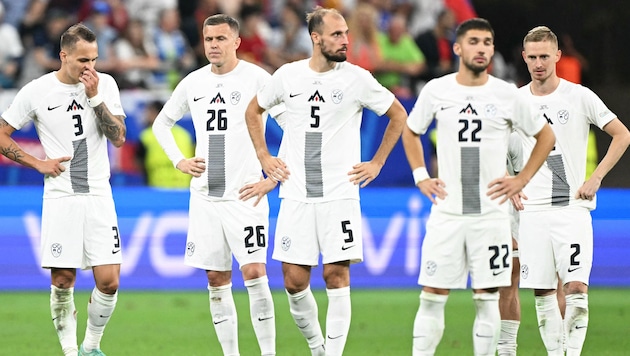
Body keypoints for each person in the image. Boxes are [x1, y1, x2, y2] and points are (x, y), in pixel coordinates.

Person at [245, 7, 407, 355]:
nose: (345, 40)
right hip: (296, 194)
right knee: (294, 281)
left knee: (336, 275)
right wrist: (264, 157)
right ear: (315, 38)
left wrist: (377, 162)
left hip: (339, 194)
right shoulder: (288, 76)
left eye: (346, 33)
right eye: (336, 34)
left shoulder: (357, 78)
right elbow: (252, 111)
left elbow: (398, 115)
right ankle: (318, 347)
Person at [401, 18, 556, 356]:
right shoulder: (437, 90)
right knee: (431, 296)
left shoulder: (505, 94)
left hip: (491, 217)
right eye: (474, 41)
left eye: (488, 42)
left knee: (487, 300)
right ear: (458, 48)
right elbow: (411, 131)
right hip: (448, 213)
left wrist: (522, 178)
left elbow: (546, 136)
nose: (482, 48)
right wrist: (420, 175)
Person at [152, 14, 277, 356]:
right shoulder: (193, 82)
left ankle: (268, 353)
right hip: (206, 198)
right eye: (209, 39)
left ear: (236, 42)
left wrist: (274, 178)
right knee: (216, 280)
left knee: (254, 272)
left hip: (245, 195)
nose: (213, 46)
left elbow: (294, 124)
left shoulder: (257, 78)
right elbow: (162, 124)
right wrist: (179, 159)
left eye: (221, 39)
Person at [0, 23, 126, 356]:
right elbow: (2, 133)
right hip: (61, 197)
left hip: (99, 195)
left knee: (110, 280)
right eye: (83, 60)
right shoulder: (37, 91)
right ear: (63, 55)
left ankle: (91, 346)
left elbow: (119, 137)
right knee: (62, 279)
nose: (90, 67)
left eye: (95, 59)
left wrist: (95, 97)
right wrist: (36, 162)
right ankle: (71, 351)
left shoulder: (105, 85)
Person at [517, 26, 630, 356]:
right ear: (524, 58)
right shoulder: (516, 102)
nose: (539, 63)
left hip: (572, 209)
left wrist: (596, 177)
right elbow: (504, 150)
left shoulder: (579, 96)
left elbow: (622, 134)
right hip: (533, 211)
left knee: (577, 290)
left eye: (544, 56)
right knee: (543, 294)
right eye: (533, 57)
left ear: (557, 56)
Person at [137, 100, 193, 188]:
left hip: (157, 184)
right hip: (183, 184)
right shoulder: (185, 134)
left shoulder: (146, 135)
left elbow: (138, 162)